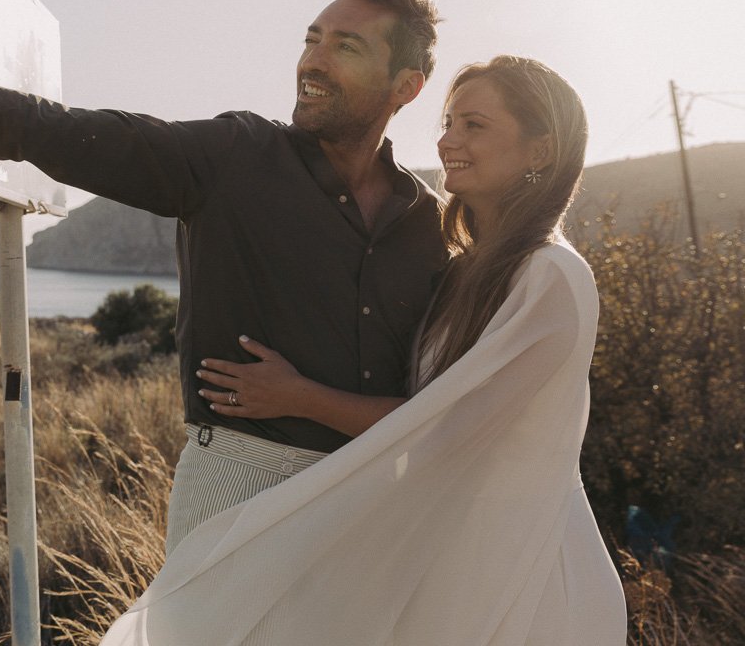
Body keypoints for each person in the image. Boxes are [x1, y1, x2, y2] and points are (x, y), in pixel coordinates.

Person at [0, 0, 448, 550]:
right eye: (312, 39)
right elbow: (52, 129)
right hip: (239, 485)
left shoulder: (430, 222)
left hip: (380, 494)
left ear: (407, 87)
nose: (314, 61)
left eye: (346, 47)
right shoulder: (235, 156)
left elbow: (446, 389)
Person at [100, 56, 627, 645]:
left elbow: (443, 428)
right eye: (449, 122)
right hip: (450, 556)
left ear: (540, 151)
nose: (450, 140)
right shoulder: (463, 271)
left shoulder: (551, 277)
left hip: (517, 571)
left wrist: (300, 396)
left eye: (475, 125)